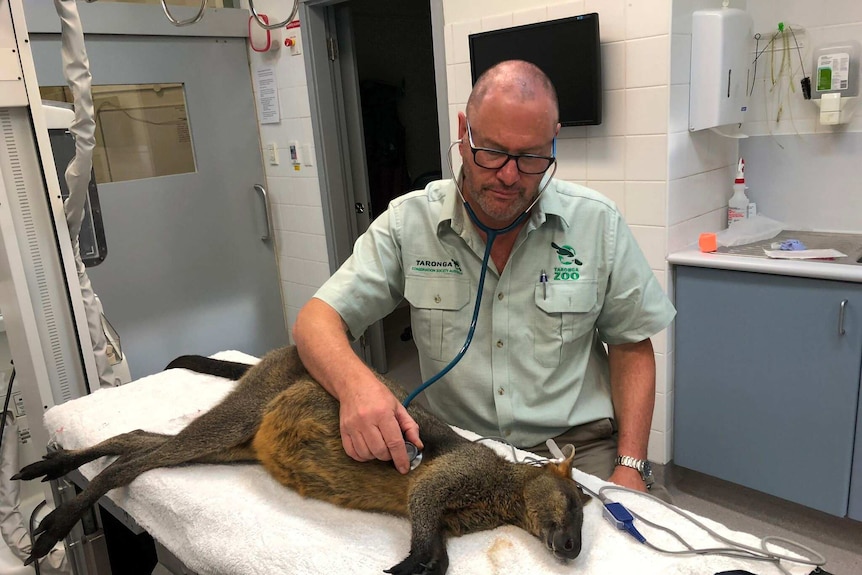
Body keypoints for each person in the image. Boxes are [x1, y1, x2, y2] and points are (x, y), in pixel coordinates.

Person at [293, 60, 675, 493]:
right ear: (463, 133)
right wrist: (356, 386)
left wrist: (631, 465)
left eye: (531, 157)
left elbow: (631, 345)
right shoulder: (407, 223)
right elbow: (315, 321)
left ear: (553, 142)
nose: (509, 176)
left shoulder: (597, 223)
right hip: (456, 446)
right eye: (491, 151)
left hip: (574, 449)